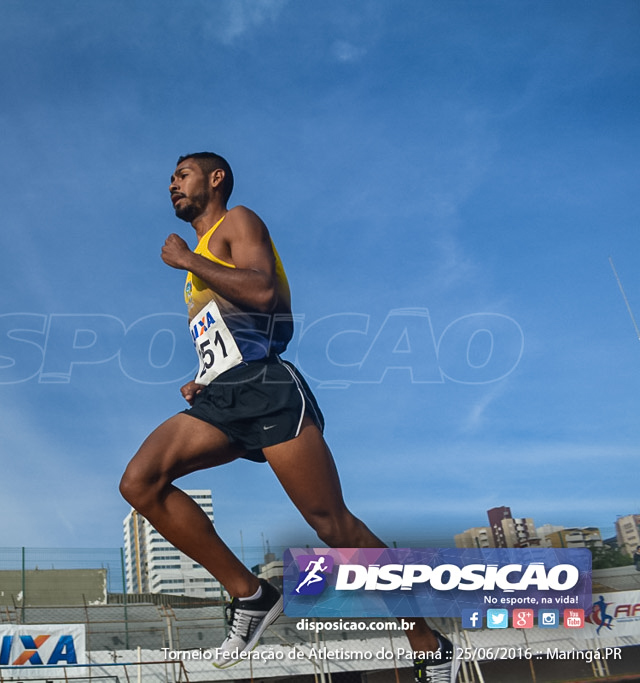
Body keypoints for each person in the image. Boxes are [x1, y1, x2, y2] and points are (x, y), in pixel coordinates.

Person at [119, 152, 459, 682]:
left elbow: (263, 292)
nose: (171, 186)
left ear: (216, 178)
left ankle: (427, 641)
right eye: (169, 179)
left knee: (334, 526)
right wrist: (204, 374)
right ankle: (252, 595)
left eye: (181, 175)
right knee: (140, 483)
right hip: (224, 395)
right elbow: (240, 329)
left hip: (268, 390)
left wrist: (188, 261)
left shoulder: (238, 222)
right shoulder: (202, 257)